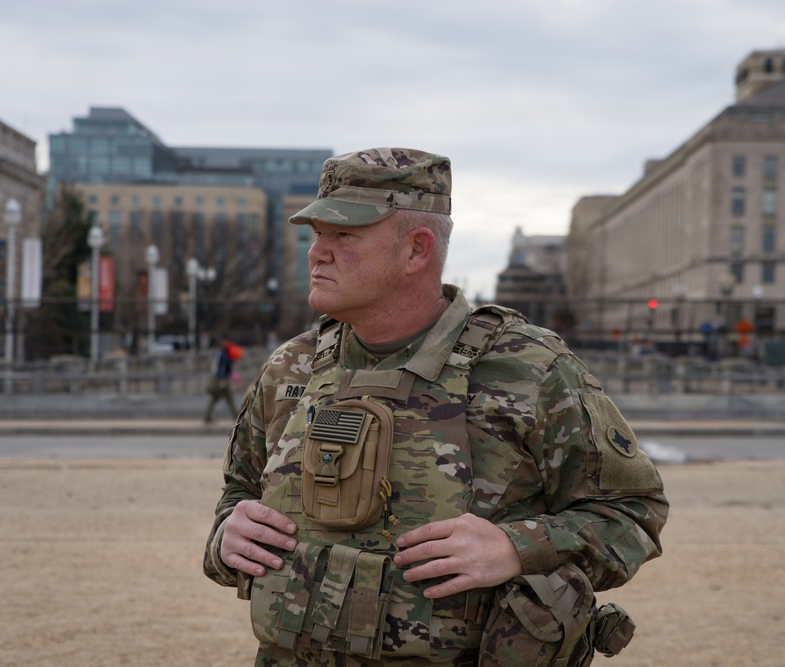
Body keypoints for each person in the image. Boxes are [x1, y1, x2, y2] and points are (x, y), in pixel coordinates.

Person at [203, 148, 669, 666]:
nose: (317, 253)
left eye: (345, 236)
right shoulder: (293, 365)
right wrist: (228, 533)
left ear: (415, 251)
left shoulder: (529, 367)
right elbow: (239, 491)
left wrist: (519, 547)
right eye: (316, 234)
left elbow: (633, 513)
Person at [204, 340, 239, 423]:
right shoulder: (222, 354)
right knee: (228, 397)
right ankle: (236, 416)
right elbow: (227, 363)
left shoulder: (217, 353)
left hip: (218, 377)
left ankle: (208, 416)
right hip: (221, 378)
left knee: (216, 397)